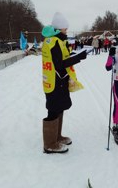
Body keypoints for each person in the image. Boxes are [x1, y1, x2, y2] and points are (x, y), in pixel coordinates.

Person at [41, 12, 87, 154]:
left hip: (59, 79)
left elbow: (62, 58)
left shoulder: (57, 41)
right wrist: (78, 57)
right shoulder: (53, 42)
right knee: (53, 109)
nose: (66, 31)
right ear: (58, 28)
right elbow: (59, 64)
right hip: (54, 81)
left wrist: (73, 55)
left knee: (59, 107)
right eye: (65, 29)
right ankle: (49, 144)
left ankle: (57, 137)